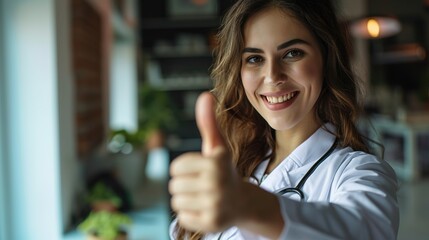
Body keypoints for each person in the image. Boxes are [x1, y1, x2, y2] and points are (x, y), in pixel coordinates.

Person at [168, 0, 399, 239]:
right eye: (254, 59)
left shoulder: (358, 171)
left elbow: (363, 230)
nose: (272, 77)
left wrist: (249, 205)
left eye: (292, 53)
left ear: (326, 59)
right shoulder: (239, 160)